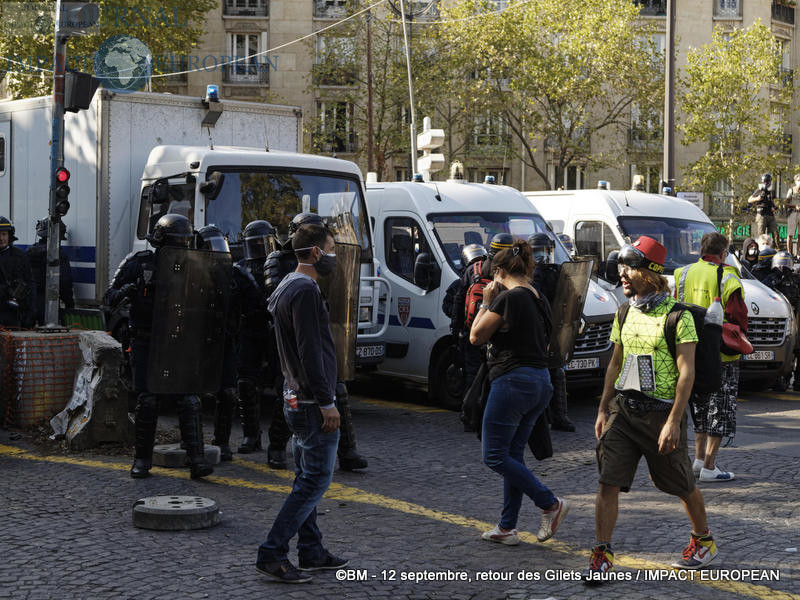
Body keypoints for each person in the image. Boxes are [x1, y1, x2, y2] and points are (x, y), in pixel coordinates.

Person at [586, 236, 716, 582]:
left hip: (661, 415)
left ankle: (703, 541)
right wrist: (602, 409)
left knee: (680, 484)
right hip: (624, 412)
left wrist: (674, 421)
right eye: (622, 268)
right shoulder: (624, 311)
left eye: (629, 267)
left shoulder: (679, 317)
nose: (622, 274)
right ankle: (601, 554)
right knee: (607, 482)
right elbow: (615, 364)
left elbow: (686, 373)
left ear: (650, 272)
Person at [256, 222, 348, 583]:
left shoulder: (287, 285)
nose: (334, 256)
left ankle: (311, 551)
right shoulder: (306, 291)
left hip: (294, 395)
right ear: (314, 252)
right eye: (331, 248)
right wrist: (327, 402)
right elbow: (311, 351)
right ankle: (272, 552)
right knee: (314, 481)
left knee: (305, 476)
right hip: (310, 400)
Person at [469, 240, 569, 548]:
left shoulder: (509, 298)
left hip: (513, 381)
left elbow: (475, 336)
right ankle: (507, 526)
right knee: (512, 455)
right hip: (540, 382)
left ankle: (549, 503)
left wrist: (486, 300)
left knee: (494, 455)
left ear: (498, 272)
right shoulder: (538, 296)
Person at [104, 214, 213, 480]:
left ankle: (196, 459)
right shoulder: (138, 263)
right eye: (175, 243)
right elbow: (109, 298)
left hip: (179, 339)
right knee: (148, 400)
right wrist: (131, 289)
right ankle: (142, 459)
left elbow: (211, 300)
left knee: (188, 399)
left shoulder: (195, 266)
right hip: (146, 339)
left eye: (183, 243)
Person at [264, 212, 368, 471]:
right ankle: (276, 446)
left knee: (337, 390)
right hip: (290, 339)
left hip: (316, 331)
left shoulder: (311, 276)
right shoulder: (287, 267)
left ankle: (347, 450)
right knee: (290, 393)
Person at [674, 232, 745, 483]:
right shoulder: (728, 276)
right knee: (720, 408)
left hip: (691, 351)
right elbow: (737, 317)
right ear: (724, 253)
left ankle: (698, 461)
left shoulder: (682, 274)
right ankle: (710, 467)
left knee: (700, 406)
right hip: (720, 354)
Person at [196, 224, 263, 461]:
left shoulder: (237, 274)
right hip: (194, 342)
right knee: (190, 395)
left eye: (218, 246)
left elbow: (258, 306)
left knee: (227, 392)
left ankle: (222, 442)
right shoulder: (188, 271)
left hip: (225, 340)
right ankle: (191, 443)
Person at [235, 220, 279, 459]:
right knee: (245, 383)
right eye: (256, 244)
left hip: (274, 330)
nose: (261, 248)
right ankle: (251, 435)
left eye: (265, 243)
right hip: (250, 329)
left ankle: (278, 442)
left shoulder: (281, 263)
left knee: (285, 387)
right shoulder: (240, 267)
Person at [529, 232, 575, 432]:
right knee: (539, 374)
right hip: (537, 331)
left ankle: (559, 416)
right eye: (537, 253)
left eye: (545, 252)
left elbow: (572, 298)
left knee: (556, 373)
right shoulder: (530, 276)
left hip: (555, 330)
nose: (542, 257)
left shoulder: (557, 273)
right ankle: (539, 417)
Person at [761, 251, 800, 391]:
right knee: (784, 349)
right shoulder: (772, 278)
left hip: (795, 315)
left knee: (797, 349)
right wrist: (777, 277)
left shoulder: (795, 279)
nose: (783, 267)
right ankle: (781, 379)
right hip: (779, 319)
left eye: (786, 263)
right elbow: (763, 290)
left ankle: (797, 381)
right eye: (781, 263)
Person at [26, 218, 74, 326]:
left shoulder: (29, 252)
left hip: (30, 304)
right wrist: (69, 304)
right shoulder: (58, 255)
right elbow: (65, 282)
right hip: (49, 304)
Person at [0, 217, 35, 328]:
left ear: (9, 235)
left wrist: (31, 314)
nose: (1, 238)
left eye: (4, 234)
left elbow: (30, 284)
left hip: (14, 315)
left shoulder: (20, 256)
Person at [748, 173, 778, 248]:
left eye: (768, 182)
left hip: (770, 214)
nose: (766, 184)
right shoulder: (759, 190)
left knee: (776, 233)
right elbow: (749, 200)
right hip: (761, 215)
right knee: (761, 235)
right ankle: (760, 250)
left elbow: (774, 201)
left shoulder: (771, 191)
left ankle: (776, 250)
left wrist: (774, 207)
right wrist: (757, 198)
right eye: (765, 182)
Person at [786, 174, 800, 257]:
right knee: (790, 234)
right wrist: (795, 206)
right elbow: (786, 203)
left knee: (799, 235)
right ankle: (789, 252)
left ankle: (798, 252)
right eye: (798, 180)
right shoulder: (791, 190)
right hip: (793, 213)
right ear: (795, 181)